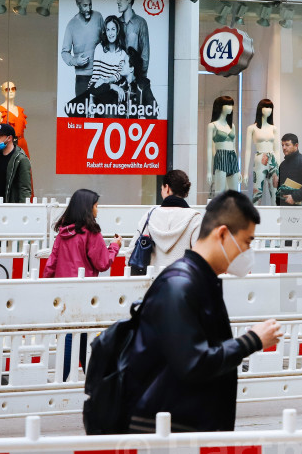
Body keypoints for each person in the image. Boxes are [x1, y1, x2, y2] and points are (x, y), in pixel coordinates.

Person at [123, 191, 282, 433]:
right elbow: (193, 362)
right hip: (171, 435)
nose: (248, 252)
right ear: (223, 234)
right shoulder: (180, 285)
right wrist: (252, 340)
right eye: (247, 242)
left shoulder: (199, 281)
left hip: (188, 428)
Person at [43, 188, 122, 381]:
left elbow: (51, 264)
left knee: (76, 333)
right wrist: (114, 247)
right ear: (88, 208)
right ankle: (77, 379)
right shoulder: (91, 233)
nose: (97, 210)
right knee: (80, 335)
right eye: (96, 206)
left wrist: (46, 290)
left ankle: (87, 378)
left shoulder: (63, 233)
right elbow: (102, 263)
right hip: (85, 292)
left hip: (63, 292)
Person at [142, 169, 203, 270]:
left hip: (154, 281)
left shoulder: (149, 215)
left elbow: (131, 252)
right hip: (183, 280)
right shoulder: (195, 218)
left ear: (167, 188)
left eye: (161, 188)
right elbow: (201, 256)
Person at [60, 0, 104, 97]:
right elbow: (64, 52)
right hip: (82, 78)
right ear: (77, 3)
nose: (88, 8)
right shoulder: (71, 25)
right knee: (81, 112)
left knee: (100, 111)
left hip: (100, 76)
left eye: (90, 4)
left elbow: (107, 41)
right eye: (85, 5)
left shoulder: (98, 17)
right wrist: (75, 61)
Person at [0, 124, 33, 204]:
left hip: (11, 208)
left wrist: (23, 210)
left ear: (9, 138)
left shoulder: (21, 159)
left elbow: (25, 189)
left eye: (0, 135)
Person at [88, 15, 133, 104]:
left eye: (113, 29)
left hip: (109, 91)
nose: (110, 33)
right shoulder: (99, 48)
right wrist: (91, 98)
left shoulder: (122, 54)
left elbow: (118, 76)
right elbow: (96, 75)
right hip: (97, 86)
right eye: (108, 30)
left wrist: (108, 82)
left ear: (117, 31)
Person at [276, 134, 302, 205]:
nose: (284, 148)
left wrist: (294, 197)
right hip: (284, 208)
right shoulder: (282, 165)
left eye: (287, 145)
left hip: (300, 209)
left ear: (296, 145)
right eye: (282, 145)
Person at [117, 0, 150, 78]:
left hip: (135, 76)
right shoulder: (116, 23)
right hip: (118, 76)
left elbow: (145, 53)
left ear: (129, 0)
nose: (117, 2)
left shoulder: (140, 22)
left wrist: (141, 76)